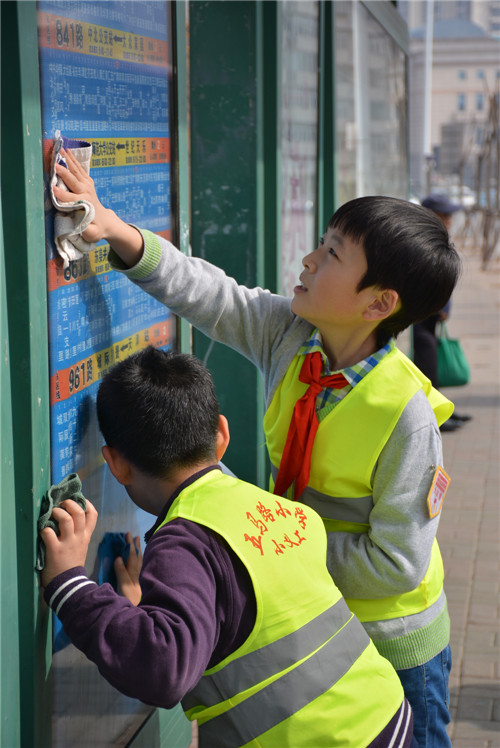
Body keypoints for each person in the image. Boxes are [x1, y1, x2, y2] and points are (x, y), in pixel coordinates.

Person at [53, 148, 462, 747]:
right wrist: (115, 230)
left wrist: (272, 549)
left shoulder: (408, 418)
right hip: (314, 621)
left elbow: (396, 565)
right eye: (320, 244)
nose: (309, 259)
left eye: (332, 255)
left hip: (392, 645)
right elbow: (210, 294)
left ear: (379, 303)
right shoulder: (292, 336)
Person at [40, 347, 417, 748]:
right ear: (221, 434)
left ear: (116, 464)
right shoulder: (286, 512)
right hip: (384, 716)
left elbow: (163, 670)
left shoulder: (184, 543)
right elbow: (244, 617)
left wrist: (71, 585)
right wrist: (140, 612)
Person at [414, 193, 472, 432]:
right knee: (426, 361)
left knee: (430, 360)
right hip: (420, 314)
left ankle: (440, 409)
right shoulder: (421, 237)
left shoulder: (434, 235)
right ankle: (435, 416)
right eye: (444, 215)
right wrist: (439, 305)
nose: (449, 220)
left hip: (431, 313)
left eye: (450, 215)